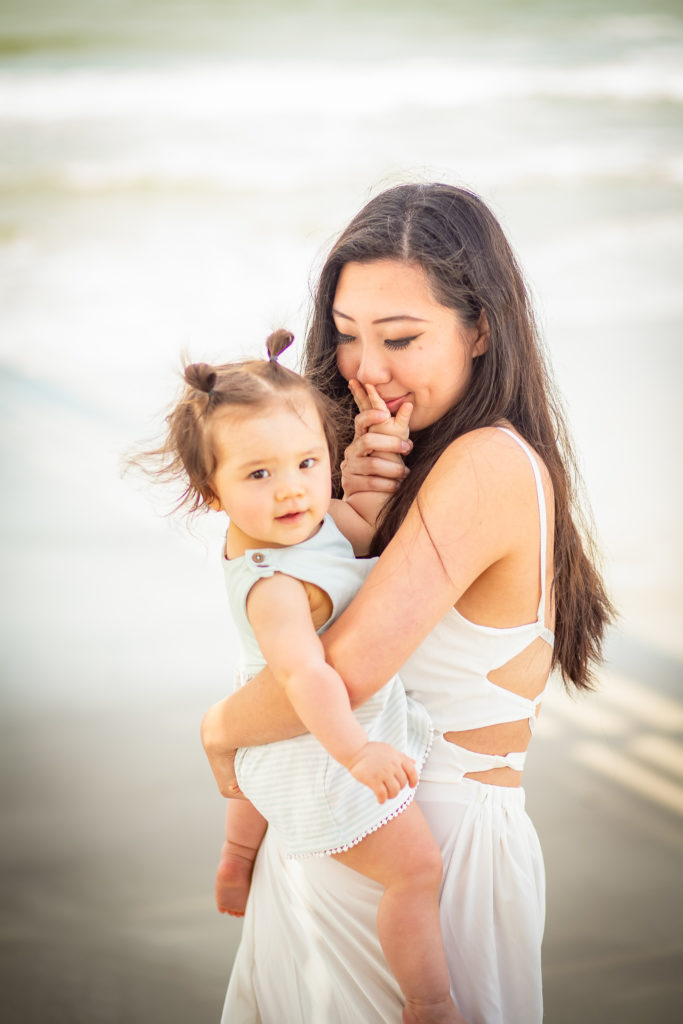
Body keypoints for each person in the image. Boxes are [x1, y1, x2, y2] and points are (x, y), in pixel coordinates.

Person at [201, 183, 614, 1024]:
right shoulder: (392, 468)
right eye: (347, 335)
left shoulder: (488, 463)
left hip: (430, 850)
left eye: (399, 338)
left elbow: (343, 672)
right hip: (343, 828)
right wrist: (355, 514)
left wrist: (216, 732)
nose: (365, 368)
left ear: (481, 330)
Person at [142, 327, 463, 1024]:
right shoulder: (273, 587)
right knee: (415, 871)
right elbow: (304, 681)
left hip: (267, 746)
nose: (291, 490)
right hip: (312, 743)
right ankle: (428, 1002)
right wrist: (356, 750)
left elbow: (359, 523)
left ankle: (236, 855)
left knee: (253, 766)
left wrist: (379, 446)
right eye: (259, 474)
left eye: (307, 463)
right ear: (211, 492)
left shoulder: (298, 522)